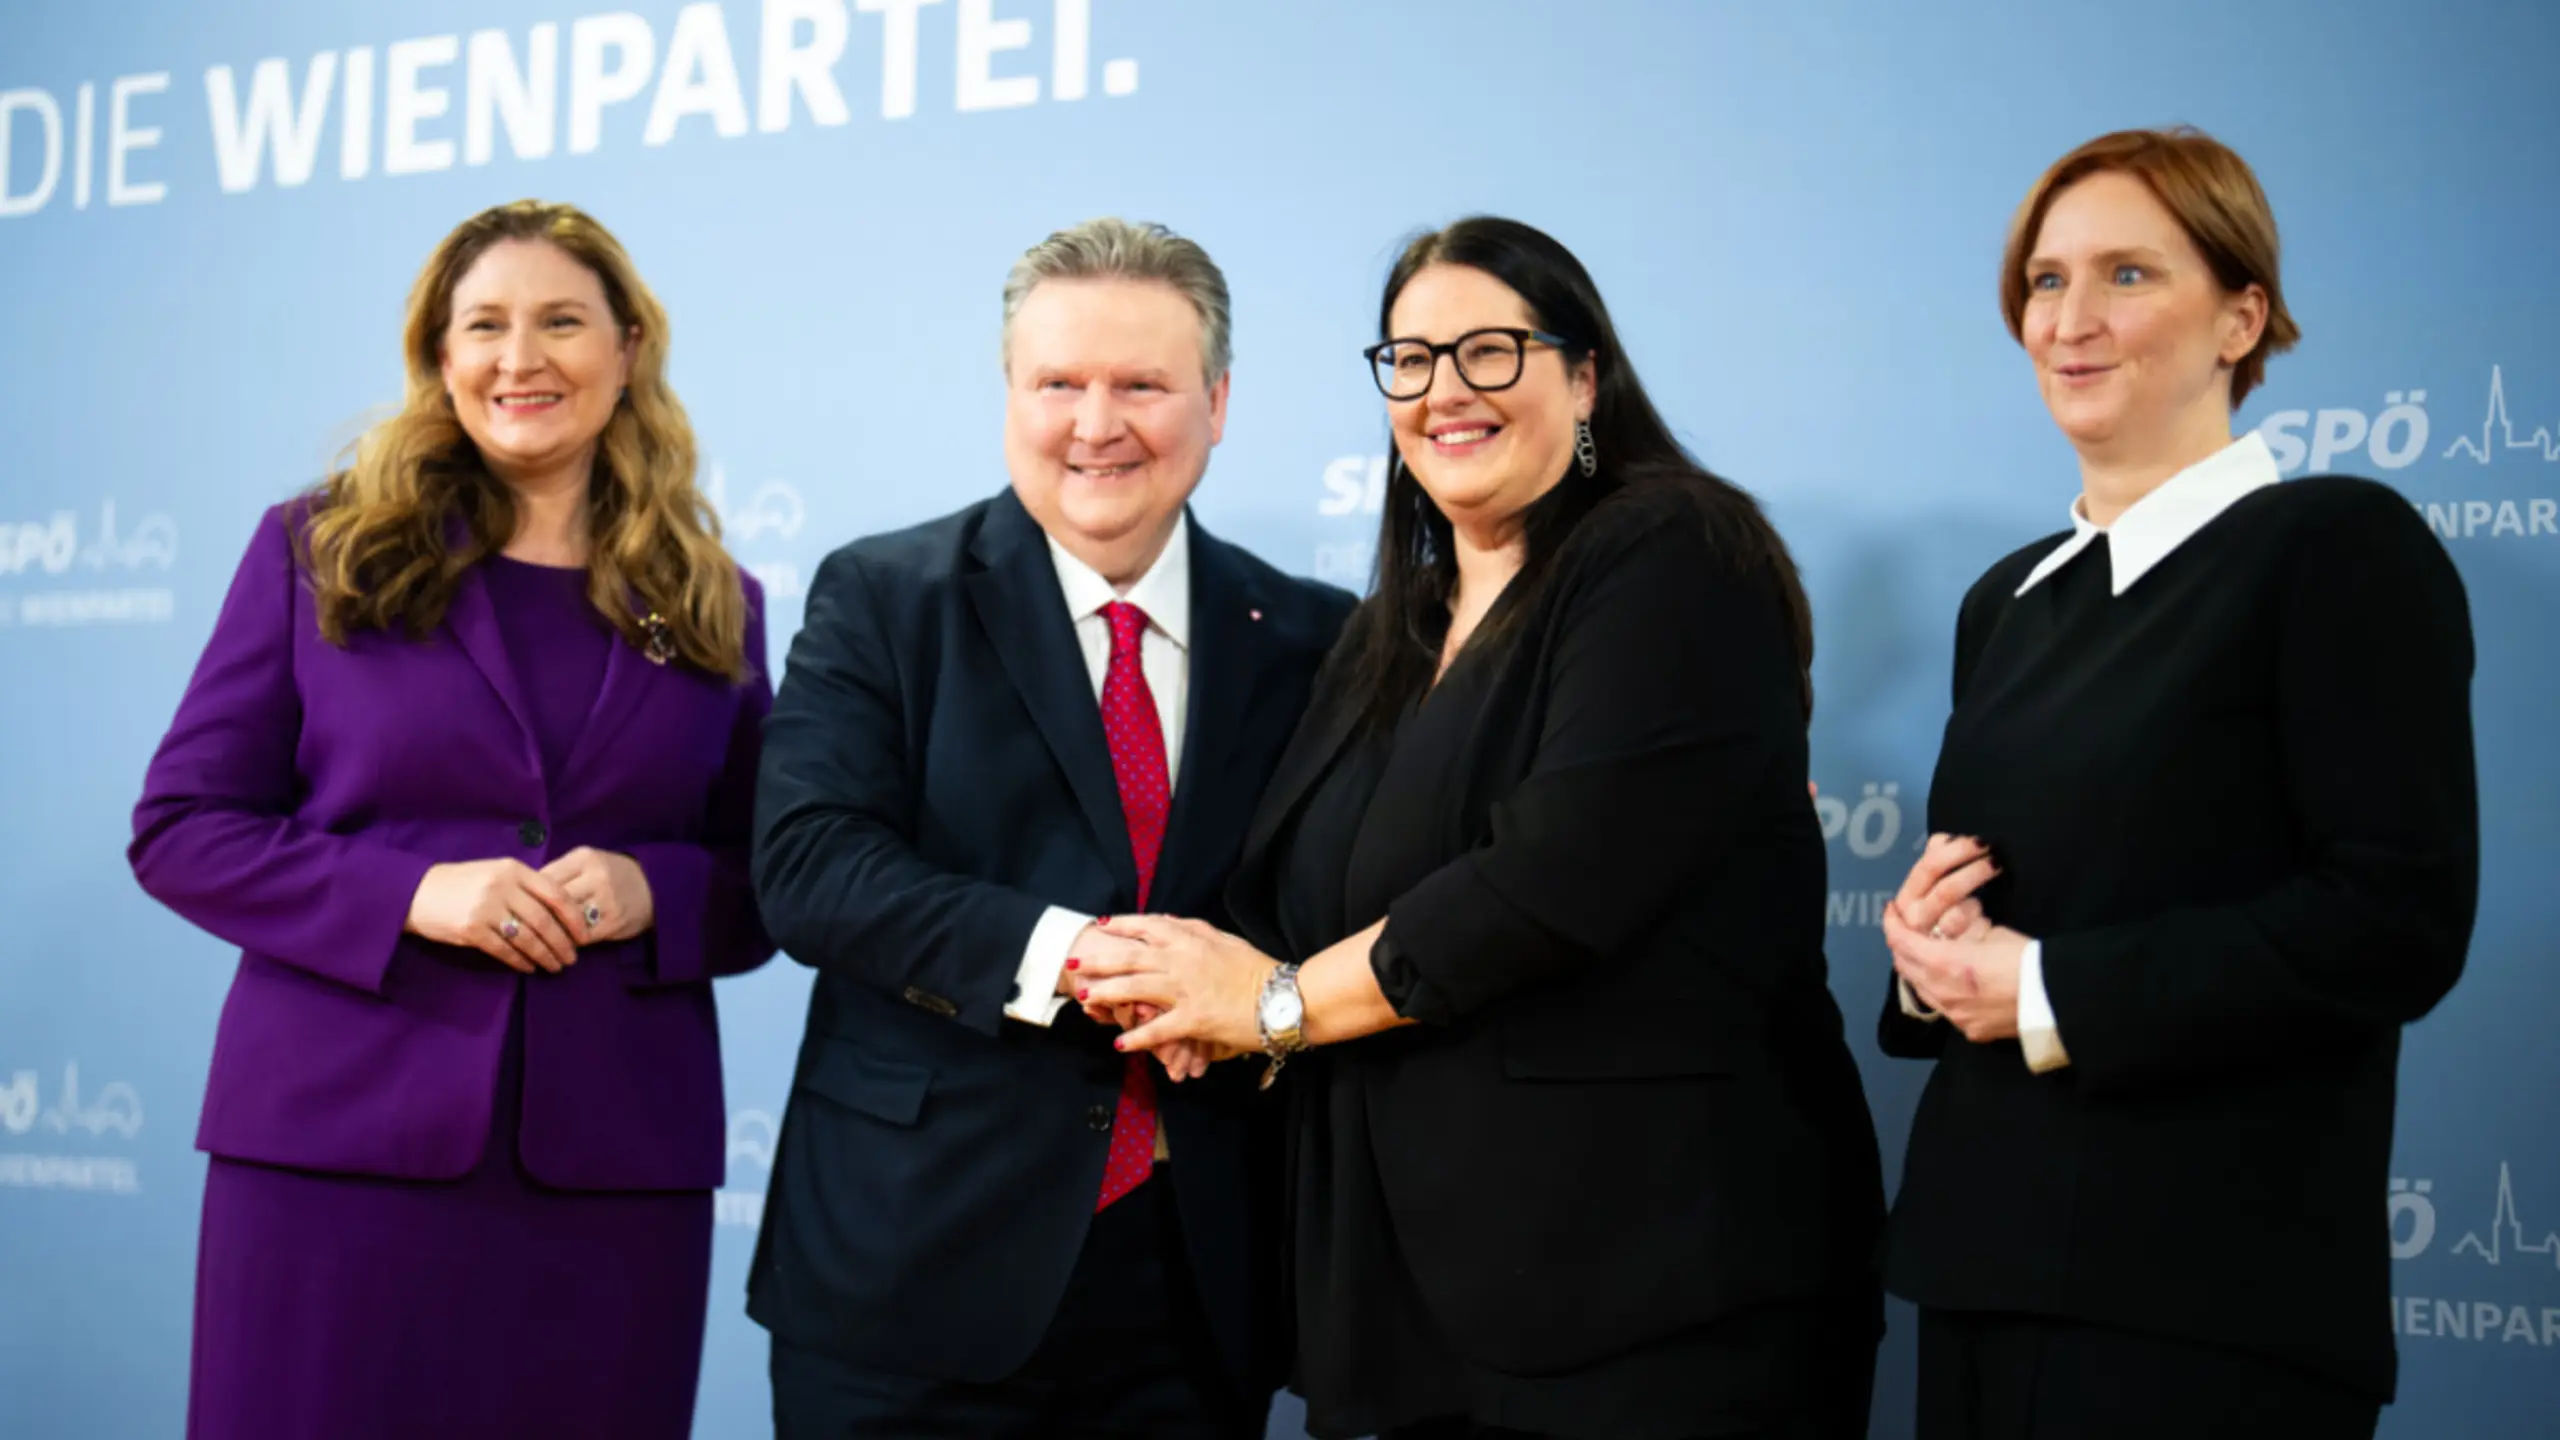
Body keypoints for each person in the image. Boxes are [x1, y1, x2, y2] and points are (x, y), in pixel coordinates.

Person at [1074, 215, 1887, 1440]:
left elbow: (1550, 880)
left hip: (1656, 1291)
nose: (1444, 390)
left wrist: (1274, 1005)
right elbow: (1295, 892)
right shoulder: (1388, 633)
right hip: (1419, 1303)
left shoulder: (1672, 553)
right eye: (1410, 360)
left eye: (1491, 351)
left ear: (1585, 378)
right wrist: (1193, 994)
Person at [127, 199, 774, 1440]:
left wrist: (653, 891)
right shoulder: (320, 551)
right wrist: (415, 893)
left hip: (611, 1183)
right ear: (439, 354)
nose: (519, 358)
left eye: (561, 322)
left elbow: (773, 876)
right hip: (336, 1160)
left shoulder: (712, 600)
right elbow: (183, 827)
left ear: (629, 349)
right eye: (484, 325)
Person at [1876, 127, 2478, 1440]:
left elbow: (2397, 920)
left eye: (2128, 275)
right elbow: (2019, 907)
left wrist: (2049, 990)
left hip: (2202, 1299)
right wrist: (1928, 959)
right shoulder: (2006, 601)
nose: (2070, 320)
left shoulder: (2335, 549)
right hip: (1976, 1265)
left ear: (2240, 320)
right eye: (2046, 281)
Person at [747, 217, 1356, 1438]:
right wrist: (1072, 956)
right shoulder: (884, 597)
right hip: (912, 1272)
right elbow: (809, 865)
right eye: (1059, 384)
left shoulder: (1314, 635)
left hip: (1199, 1287)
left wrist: (1254, 998)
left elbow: (1334, 899)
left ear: (1217, 402)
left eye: (1142, 385)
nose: (1096, 424)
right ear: (1009, 395)